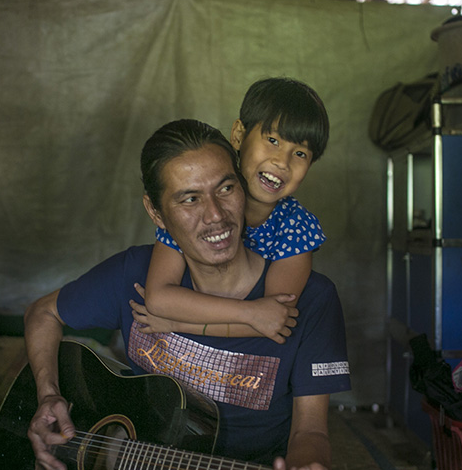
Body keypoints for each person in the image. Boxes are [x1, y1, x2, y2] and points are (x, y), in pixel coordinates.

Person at [24, 118, 352, 470]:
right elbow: (43, 313)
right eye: (189, 198)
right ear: (156, 213)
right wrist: (48, 394)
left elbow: (311, 432)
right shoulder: (133, 275)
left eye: (225, 189)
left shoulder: (310, 300)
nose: (216, 216)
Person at [135, 78, 330, 344]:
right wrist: (249, 312)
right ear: (238, 135)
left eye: (300, 154)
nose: (281, 162)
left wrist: (177, 323)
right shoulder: (195, 210)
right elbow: (159, 298)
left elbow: (275, 320)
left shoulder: (296, 227)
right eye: (272, 140)